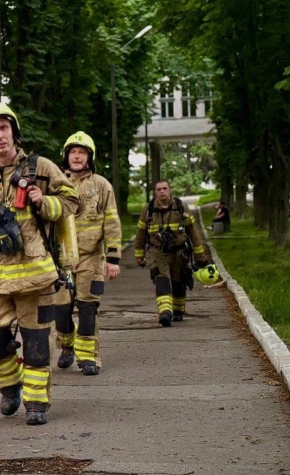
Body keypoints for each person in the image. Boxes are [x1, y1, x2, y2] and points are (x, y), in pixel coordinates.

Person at [0, 101, 79, 425]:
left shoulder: (41, 168)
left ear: (14, 131)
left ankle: (37, 404)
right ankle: (10, 388)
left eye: (4, 128)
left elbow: (72, 201)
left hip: (35, 278)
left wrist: (45, 201)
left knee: (36, 342)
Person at [53, 132, 121, 376]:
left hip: (91, 258)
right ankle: (67, 345)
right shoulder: (55, 183)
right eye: (73, 152)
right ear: (66, 156)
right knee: (60, 310)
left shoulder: (101, 185)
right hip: (60, 260)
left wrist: (113, 258)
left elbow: (112, 221)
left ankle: (88, 357)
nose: (77, 156)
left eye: (82, 152)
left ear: (89, 157)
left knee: (88, 307)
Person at [134, 180, 210, 327]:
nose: (162, 191)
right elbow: (140, 233)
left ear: (170, 190)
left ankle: (178, 310)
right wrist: (139, 254)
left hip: (179, 252)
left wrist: (200, 256)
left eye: (165, 188)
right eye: (159, 189)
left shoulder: (181, 207)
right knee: (161, 280)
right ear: (155, 192)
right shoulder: (148, 209)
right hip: (157, 251)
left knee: (178, 282)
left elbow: (192, 232)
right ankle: (165, 313)